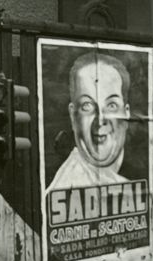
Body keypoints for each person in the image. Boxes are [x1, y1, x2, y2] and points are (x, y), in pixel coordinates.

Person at [47, 51, 132, 190]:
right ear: (73, 116)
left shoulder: (120, 184)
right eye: (87, 106)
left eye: (111, 105)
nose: (100, 121)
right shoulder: (67, 187)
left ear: (126, 113)